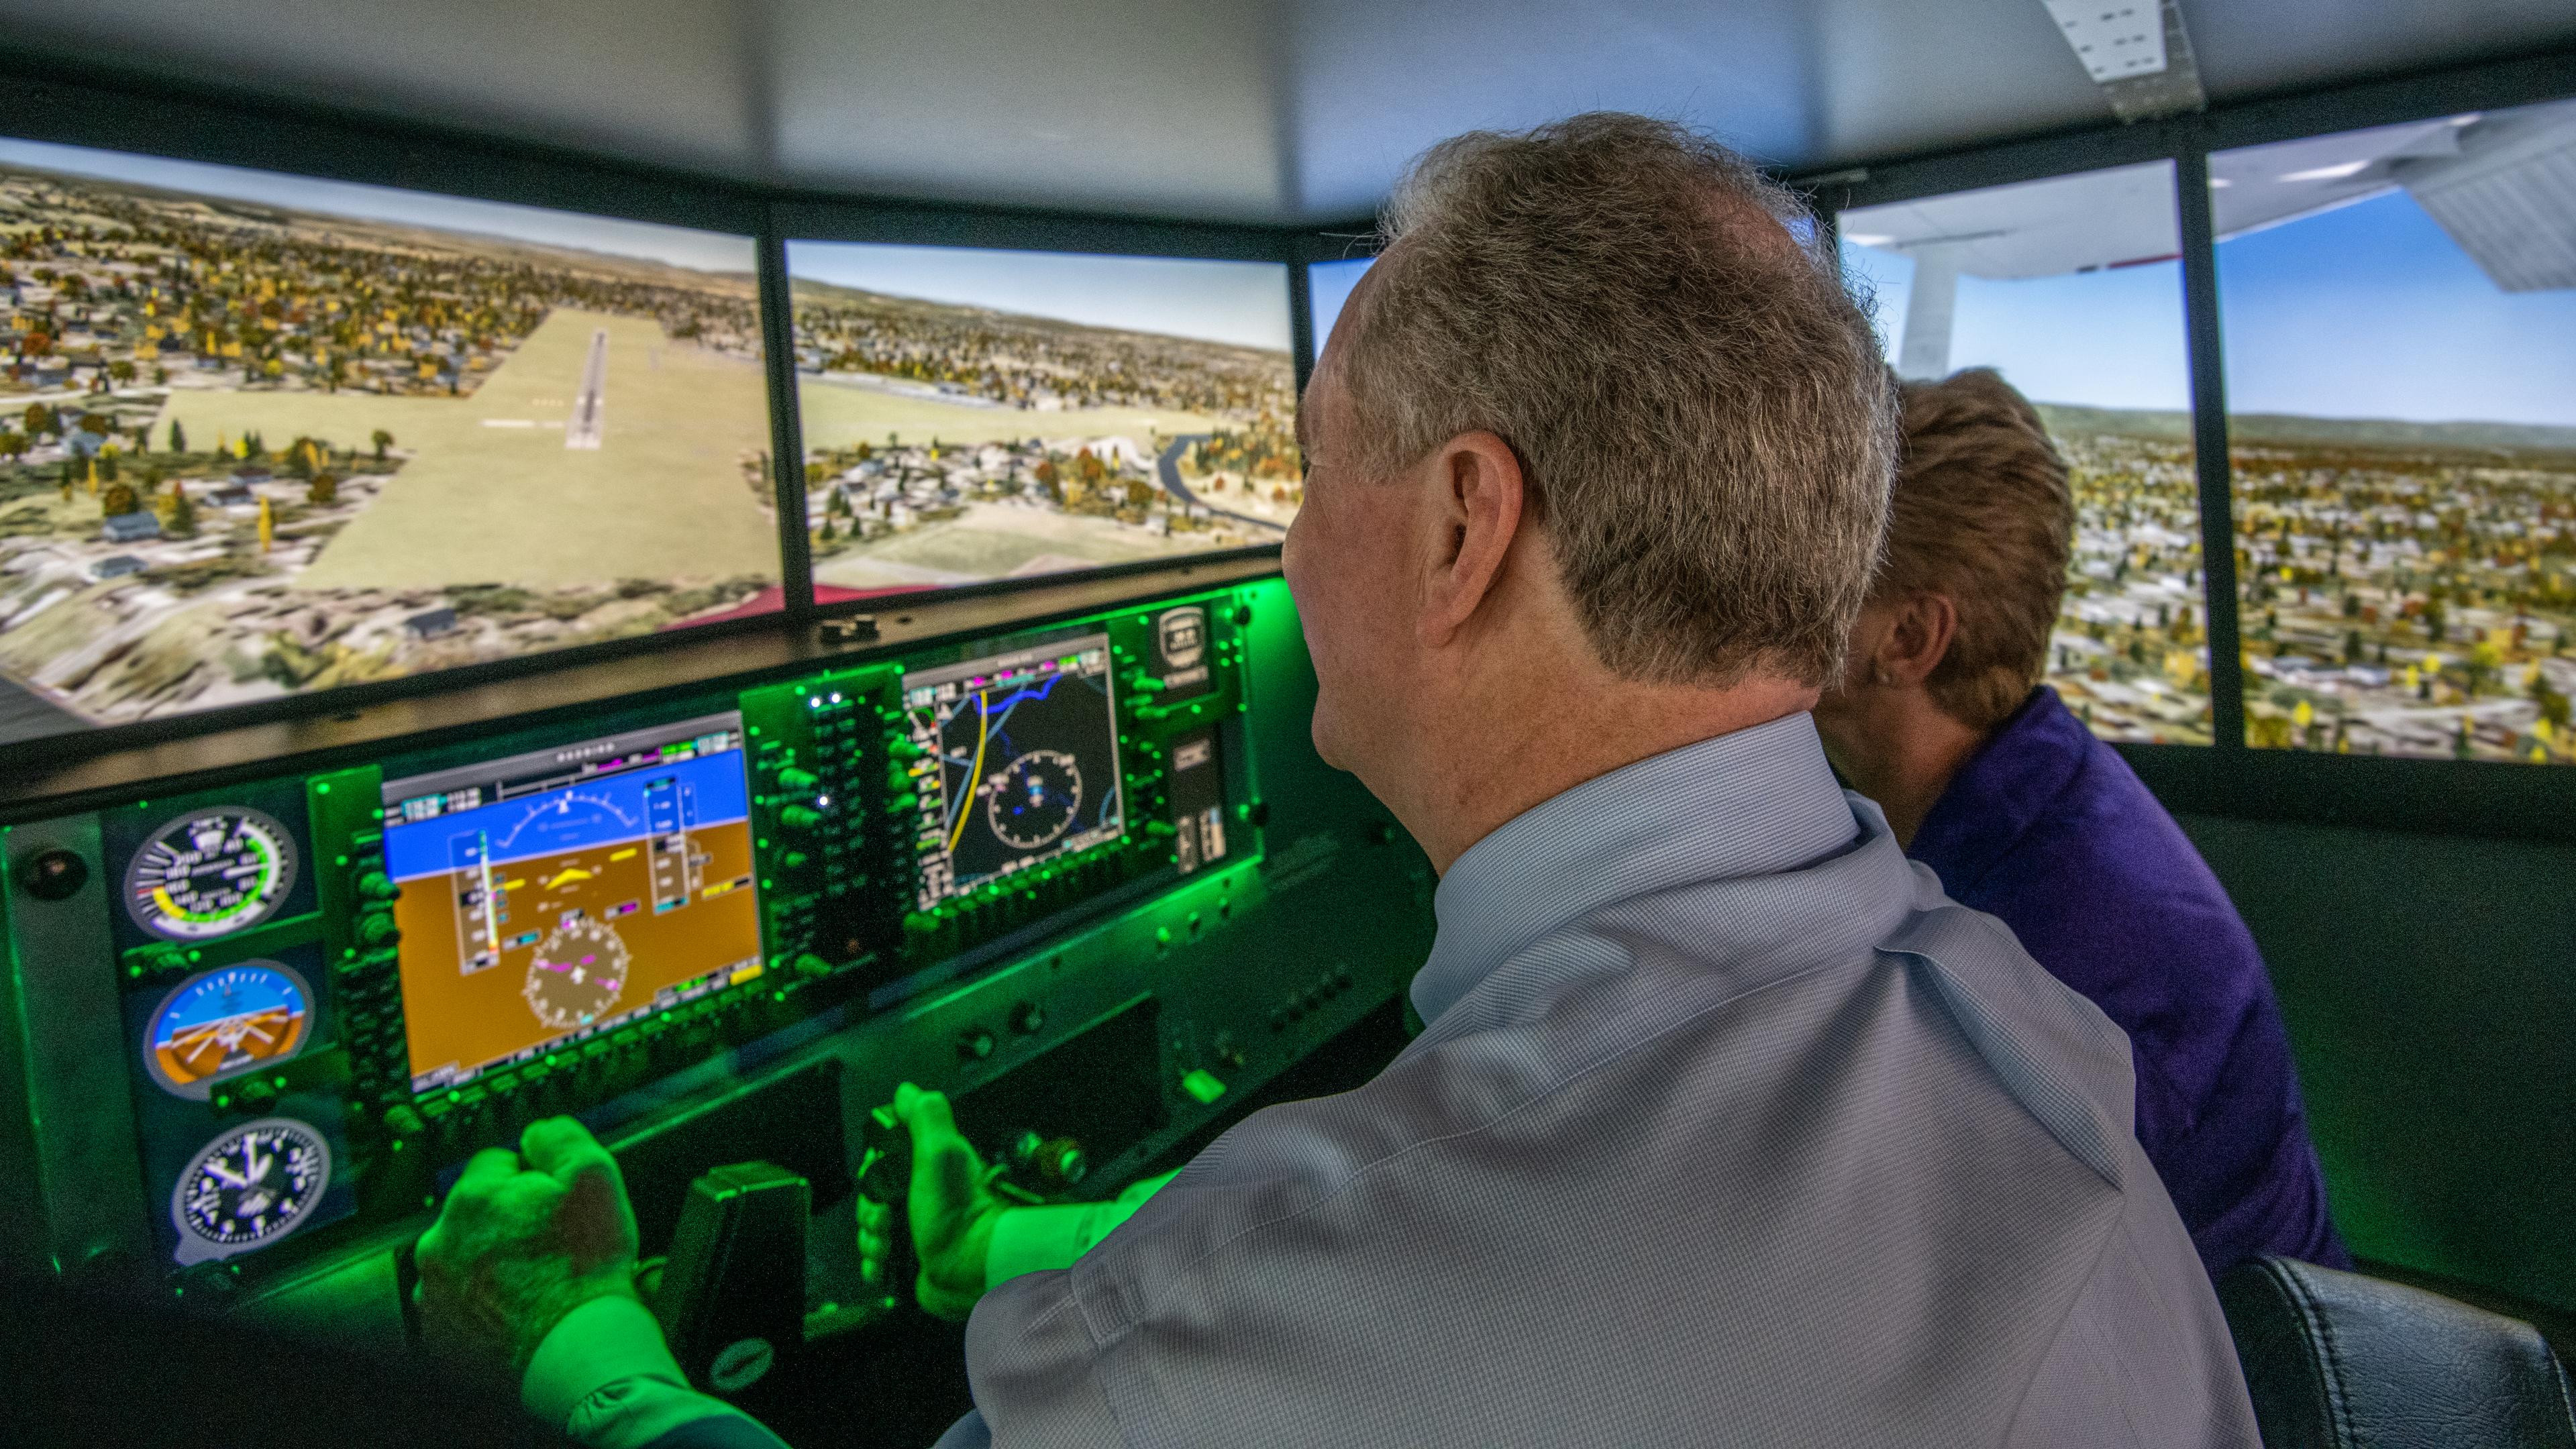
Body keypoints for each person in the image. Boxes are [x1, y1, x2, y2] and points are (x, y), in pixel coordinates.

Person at [416, 115, 2258, 1447]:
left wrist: (579, 1344)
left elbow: (1376, 1265)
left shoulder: (1307, 1317)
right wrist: (1014, 1242)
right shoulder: (2028, 1032)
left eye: (1315, 478)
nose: (1290, 558)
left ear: (1463, 524)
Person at [1807, 368, 2349, 1283]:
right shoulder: (1996, 803)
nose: (1769, 596)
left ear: (1907, 641)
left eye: (1815, 571)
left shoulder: (2065, 964)